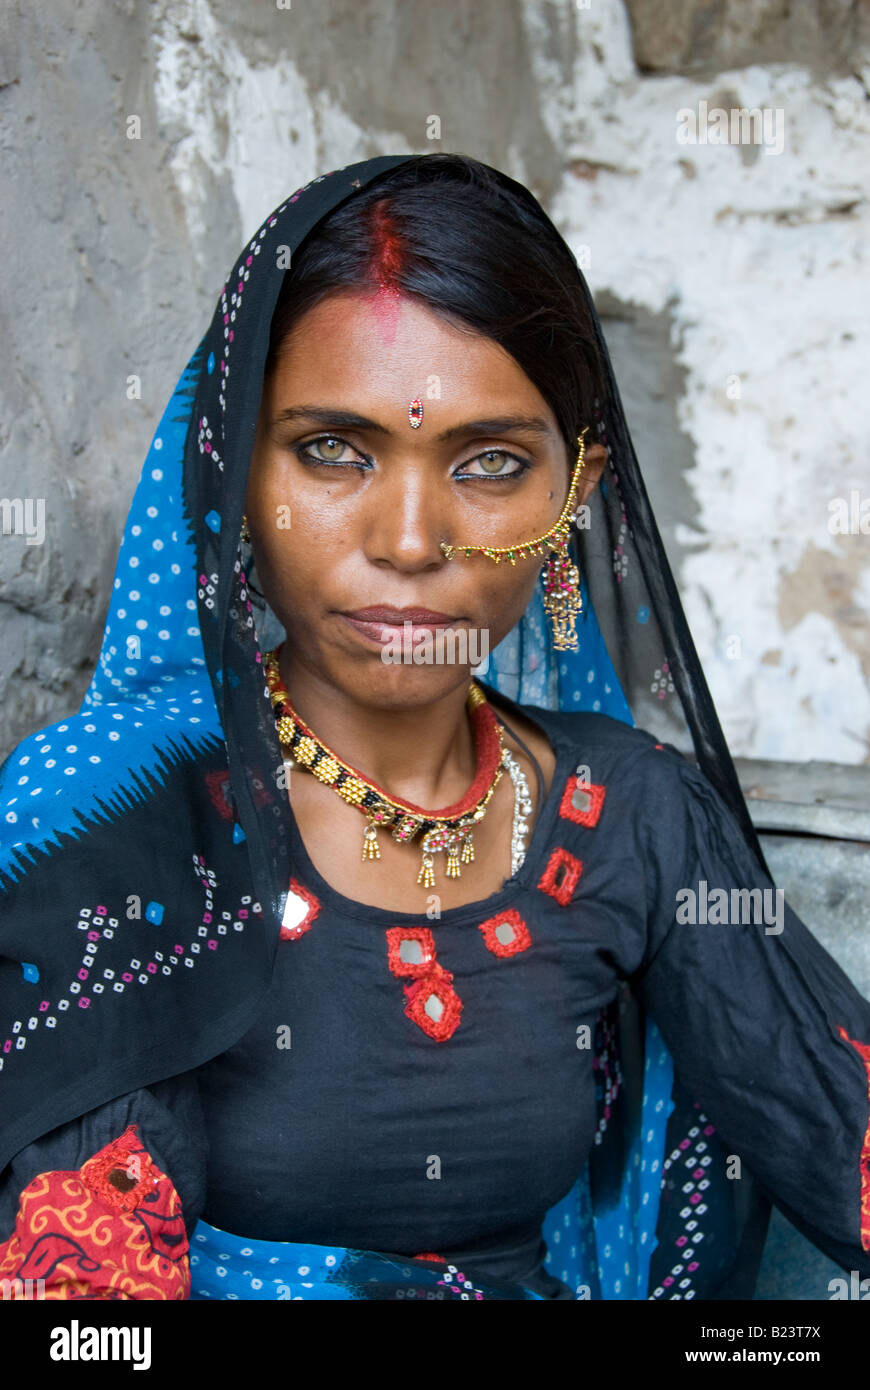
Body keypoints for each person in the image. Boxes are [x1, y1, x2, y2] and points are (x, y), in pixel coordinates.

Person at [0, 152, 868, 1303]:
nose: (411, 541)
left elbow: (838, 1132)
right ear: (232, 470)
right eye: (333, 451)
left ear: (574, 494)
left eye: (491, 464)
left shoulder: (629, 813)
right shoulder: (112, 814)